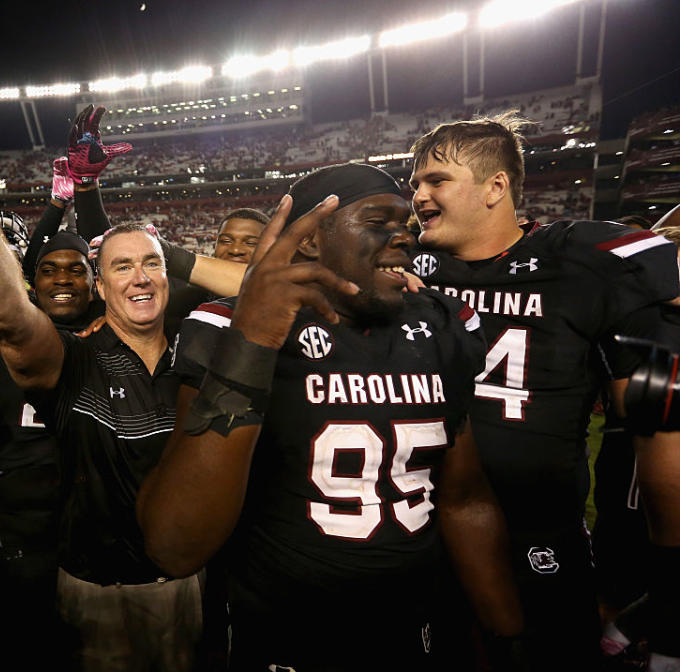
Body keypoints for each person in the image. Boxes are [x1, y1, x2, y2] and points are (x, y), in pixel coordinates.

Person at [0, 64, 246, 672]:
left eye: (152, 263)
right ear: (100, 289)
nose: (139, 275)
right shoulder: (74, 360)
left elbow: (266, 290)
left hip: (187, 582)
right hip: (92, 587)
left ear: (171, 275)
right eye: (122, 265)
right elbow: (5, 314)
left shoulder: (206, 350)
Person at [138, 163, 525, 670]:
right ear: (311, 240)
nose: (403, 236)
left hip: (412, 632)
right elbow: (174, 546)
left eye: (406, 224)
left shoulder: (442, 324)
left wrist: (509, 634)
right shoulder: (227, 326)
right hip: (283, 638)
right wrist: (253, 339)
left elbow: (464, 499)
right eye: (377, 221)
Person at [407, 112, 680, 669]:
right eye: (415, 183)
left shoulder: (584, 261)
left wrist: (671, 584)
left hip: (538, 529)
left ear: (495, 187)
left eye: (436, 180)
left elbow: (660, 423)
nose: (419, 195)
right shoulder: (412, 267)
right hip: (423, 520)